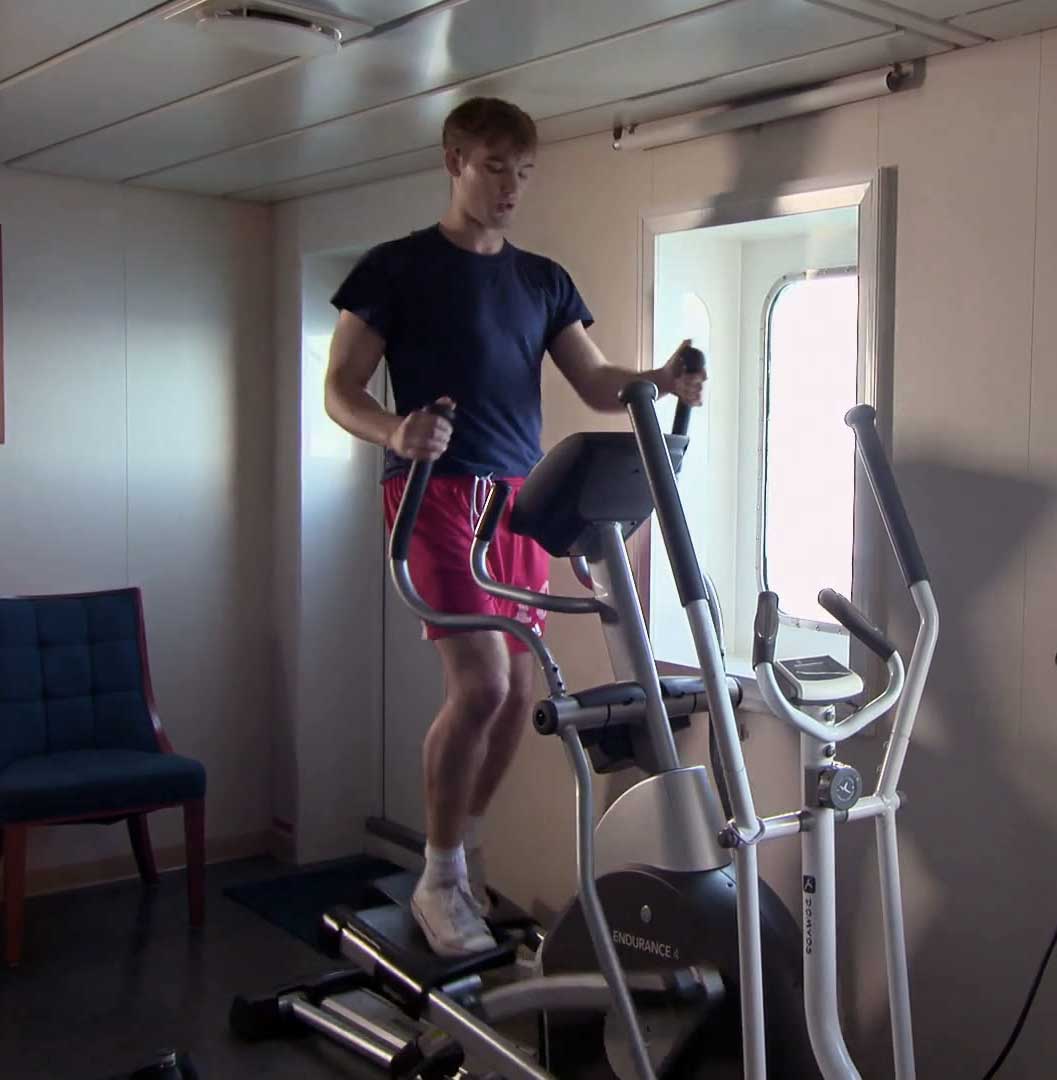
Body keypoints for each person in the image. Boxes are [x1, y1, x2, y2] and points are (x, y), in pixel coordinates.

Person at [325, 97, 704, 959]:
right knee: (483, 685)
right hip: (435, 493)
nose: (510, 188)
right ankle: (436, 875)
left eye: (523, 173)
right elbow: (340, 387)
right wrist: (394, 430)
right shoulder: (396, 268)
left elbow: (597, 382)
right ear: (454, 162)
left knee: (519, 692)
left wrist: (658, 379)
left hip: (519, 500)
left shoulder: (541, 280)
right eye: (495, 168)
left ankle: (458, 856)